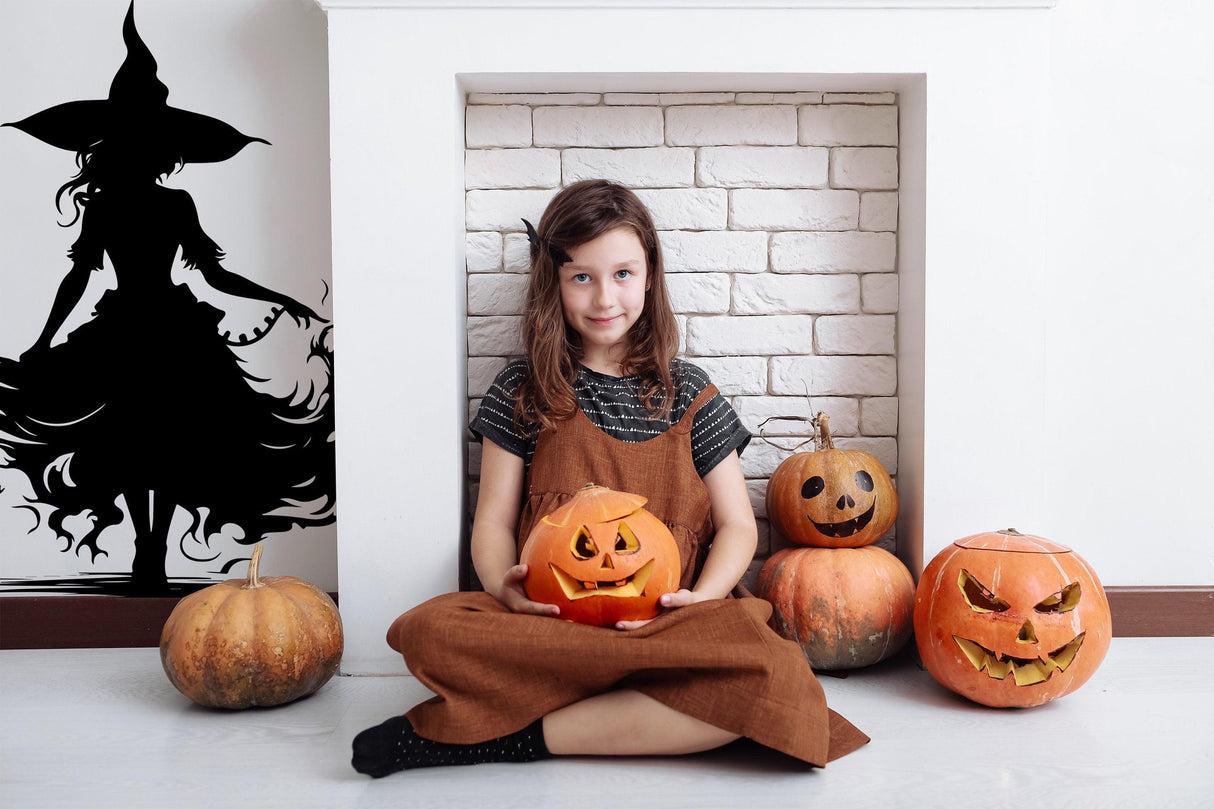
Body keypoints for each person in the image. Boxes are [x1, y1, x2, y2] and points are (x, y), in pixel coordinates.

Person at [351, 179, 868, 776]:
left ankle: (496, 736)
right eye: (582, 277)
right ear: (554, 283)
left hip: (670, 627)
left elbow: (736, 526)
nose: (604, 298)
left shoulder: (691, 394)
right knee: (430, 631)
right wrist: (502, 589)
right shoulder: (524, 390)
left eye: (622, 274)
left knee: (775, 672)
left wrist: (700, 600)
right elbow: (491, 518)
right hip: (556, 625)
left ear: (650, 276)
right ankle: (625, 708)